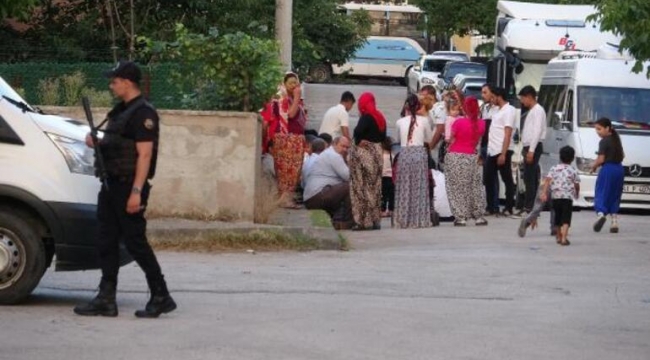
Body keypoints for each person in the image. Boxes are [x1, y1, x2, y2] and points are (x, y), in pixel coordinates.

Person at [74, 61, 176, 318]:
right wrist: (97, 141)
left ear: (128, 82)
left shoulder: (143, 113)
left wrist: (136, 192)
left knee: (135, 241)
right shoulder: (121, 111)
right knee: (106, 240)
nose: (111, 85)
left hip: (128, 186)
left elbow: (144, 155)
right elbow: (119, 143)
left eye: (115, 81)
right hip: (111, 184)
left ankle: (161, 294)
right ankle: (106, 298)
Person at [445, 96, 488, 226]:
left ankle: (461, 216)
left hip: (455, 156)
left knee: (456, 187)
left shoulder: (458, 122)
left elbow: (450, 139)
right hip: (472, 157)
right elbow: (478, 140)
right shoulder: (482, 124)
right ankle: (478, 215)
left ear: (465, 108)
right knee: (475, 186)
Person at [394, 94, 433, 228]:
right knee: (419, 187)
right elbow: (428, 138)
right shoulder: (424, 121)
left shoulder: (400, 122)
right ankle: (419, 219)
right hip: (419, 154)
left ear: (406, 107)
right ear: (418, 106)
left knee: (405, 186)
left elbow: (399, 140)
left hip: (405, 154)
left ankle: (403, 219)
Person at [350, 92, 387, 230]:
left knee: (360, 186)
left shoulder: (366, 117)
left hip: (364, 155)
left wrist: (359, 141)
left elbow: (357, 132)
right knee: (375, 187)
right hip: (377, 154)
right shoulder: (380, 117)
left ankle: (362, 221)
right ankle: (375, 220)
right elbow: (383, 137)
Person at [271, 72, 308, 209]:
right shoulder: (281, 98)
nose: (294, 85)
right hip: (286, 140)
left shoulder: (294, 99)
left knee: (294, 171)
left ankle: (286, 199)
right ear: (284, 84)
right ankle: (284, 199)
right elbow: (290, 115)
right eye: (291, 83)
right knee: (287, 171)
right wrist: (297, 97)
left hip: (295, 140)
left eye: (296, 82)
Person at [303, 136, 354, 229]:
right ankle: (345, 222)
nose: (345, 150)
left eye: (347, 147)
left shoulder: (328, 153)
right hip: (317, 196)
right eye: (342, 146)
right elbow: (349, 177)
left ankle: (338, 219)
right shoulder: (334, 156)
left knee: (342, 189)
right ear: (334, 144)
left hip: (312, 197)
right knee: (350, 187)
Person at [484, 87, 517, 216]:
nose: (491, 100)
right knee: (488, 178)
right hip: (492, 149)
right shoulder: (497, 110)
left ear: (499, 97)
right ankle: (491, 206)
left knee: (506, 178)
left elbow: (507, 133)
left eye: (493, 97)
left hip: (502, 149)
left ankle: (509, 207)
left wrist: (503, 153)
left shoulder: (509, 110)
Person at [590, 117, 625, 233]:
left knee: (601, 192)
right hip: (619, 169)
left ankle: (601, 215)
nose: (597, 132)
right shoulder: (616, 140)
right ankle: (614, 221)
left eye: (599, 129)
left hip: (608, 169)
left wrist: (593, 166)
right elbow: (622, 155)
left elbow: (601, 159)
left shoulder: (604, 141)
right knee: (615, 194)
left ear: (607, 128)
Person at [517, 85, 547, 218]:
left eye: (523, 98)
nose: (522, 102)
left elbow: (537, 131)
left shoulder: (538, 110)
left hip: (533, 146)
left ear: (529, 97)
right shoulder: (532, 110)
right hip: (528, 146)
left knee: (529, 178)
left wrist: (531, 150)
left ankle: (528, 207)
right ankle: (532, 207)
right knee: (531, 178)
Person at [541, 146, 580, 246]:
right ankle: (564, 238)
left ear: (560, 157)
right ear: (572, 158)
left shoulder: (554, 168)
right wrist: (577, 193)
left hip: (556, 197)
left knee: (557, 218)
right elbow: (576, 184)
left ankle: (558, 236)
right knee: (566, 219)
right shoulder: (573, 170)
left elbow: (547, 181)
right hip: (567, 198)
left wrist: (544, 193)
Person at [480, 84, 500, 216]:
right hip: (484, 144)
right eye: (482, 92)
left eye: (485, 92)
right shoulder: (484, 108)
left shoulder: (499, 110)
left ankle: (495, 205)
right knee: (486, 177)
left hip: (493, 145)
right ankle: (489, 205)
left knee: (493, 177)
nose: (483, 95)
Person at [380, 136, 395, 218]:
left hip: (383, 178)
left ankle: (382, 210)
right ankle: (391, 210)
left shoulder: (380, 156)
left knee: (383, 195)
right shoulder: (391, 155)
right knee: (391, 195)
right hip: (391, 178)